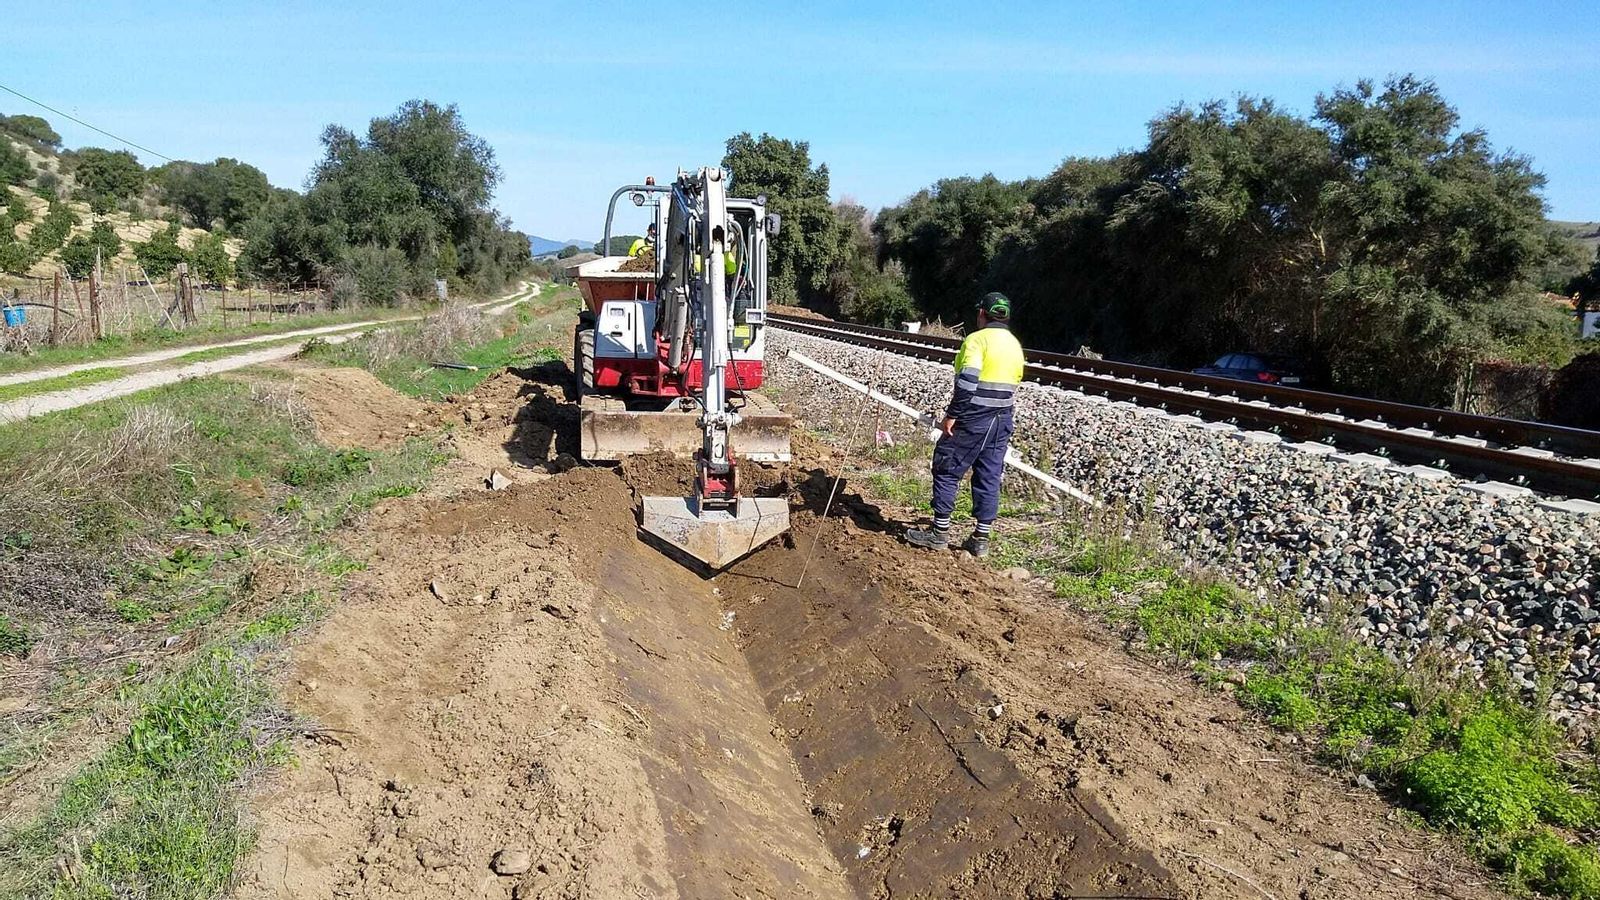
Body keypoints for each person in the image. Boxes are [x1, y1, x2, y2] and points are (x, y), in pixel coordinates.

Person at [905, 292, 1024, 558]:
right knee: (989, 475)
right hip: (1002, 417)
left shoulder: (977, 340)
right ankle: (981, 539)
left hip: (974, 416)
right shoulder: (1014, 344)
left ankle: (939, 532)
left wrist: (953, 414)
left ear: (982, 313)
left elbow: (968, 381)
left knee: (947, 467)